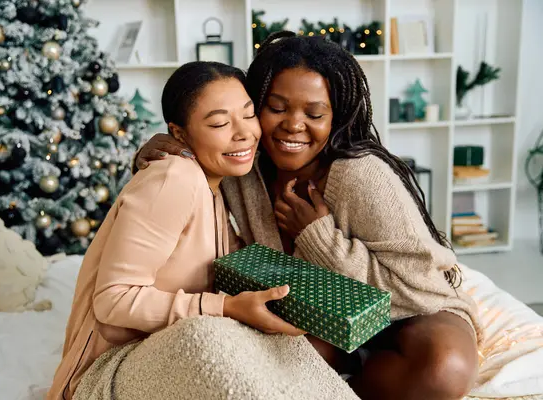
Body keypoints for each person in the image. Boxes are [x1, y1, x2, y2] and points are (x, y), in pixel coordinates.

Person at [133, 32, 482, 400]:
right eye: (277, 108)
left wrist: (320, 239)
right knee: (267, 365)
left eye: (314, 113)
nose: (293, 125)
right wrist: (161, 152)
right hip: (312, 314)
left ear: (336, 116)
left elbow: (422, 286)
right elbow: (184, 171)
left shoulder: (359, 175)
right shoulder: (244, 162)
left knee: (447, 366)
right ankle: (347, 369)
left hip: (410, 316)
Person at [46, 61, 305, 400]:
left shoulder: (216, 184)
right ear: (179, 134)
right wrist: (224, 308)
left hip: (167, 345)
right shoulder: (176, 178)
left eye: (248, 113)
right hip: (107, 369)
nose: (244, 132)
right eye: (219, 123)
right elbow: (113, 300)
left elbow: (232, 259)